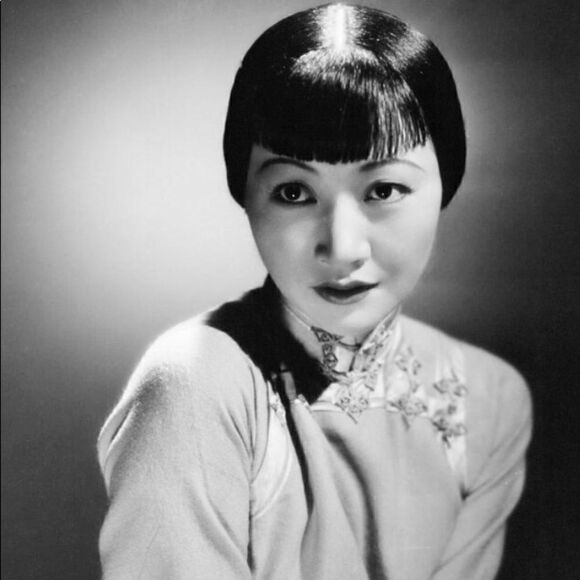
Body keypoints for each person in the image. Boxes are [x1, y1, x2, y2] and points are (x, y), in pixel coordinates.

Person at [97, 4, 532, 579]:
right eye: (294, 193)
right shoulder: (195, 385)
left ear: (445, 186)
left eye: (384, 189)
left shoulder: (488, 398)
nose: (343, 246)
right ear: (245, 195)